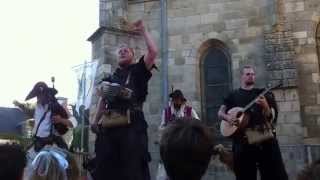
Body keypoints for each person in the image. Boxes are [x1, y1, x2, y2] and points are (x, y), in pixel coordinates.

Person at [91, 19, 158, 180]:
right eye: (119, 50)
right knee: (106, 169)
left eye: (126, 50)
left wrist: (143, 30)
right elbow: (103, 101)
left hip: (132, 126)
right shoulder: (111, 77)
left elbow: (153, 52)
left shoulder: (138, 71)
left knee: (132, 170)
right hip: (110, 127)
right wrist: (95, 121)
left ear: (133, 55)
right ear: (116, 56)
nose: (122, 51)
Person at [217, 65, 288, 180]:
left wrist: (265, 106)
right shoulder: (233, 95)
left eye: (253, 74)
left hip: (262, 138)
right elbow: (220, 113)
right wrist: (228, 118)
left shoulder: (263, 93)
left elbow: (270, 117)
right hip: (242, 142)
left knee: (272, 174)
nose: (251, 76)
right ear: (242, 76)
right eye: (248, 74)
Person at [16, 81, 73, 152]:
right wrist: (20, 105)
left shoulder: (57, 106)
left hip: (54, 141)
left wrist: (61, 120)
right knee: (26, 157)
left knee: (67, 157)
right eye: (37, 95)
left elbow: (73, 124)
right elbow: (28, 111)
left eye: (41, 95)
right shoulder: (36, 107)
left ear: (46, 94)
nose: (39, 97)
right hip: (38, 141)